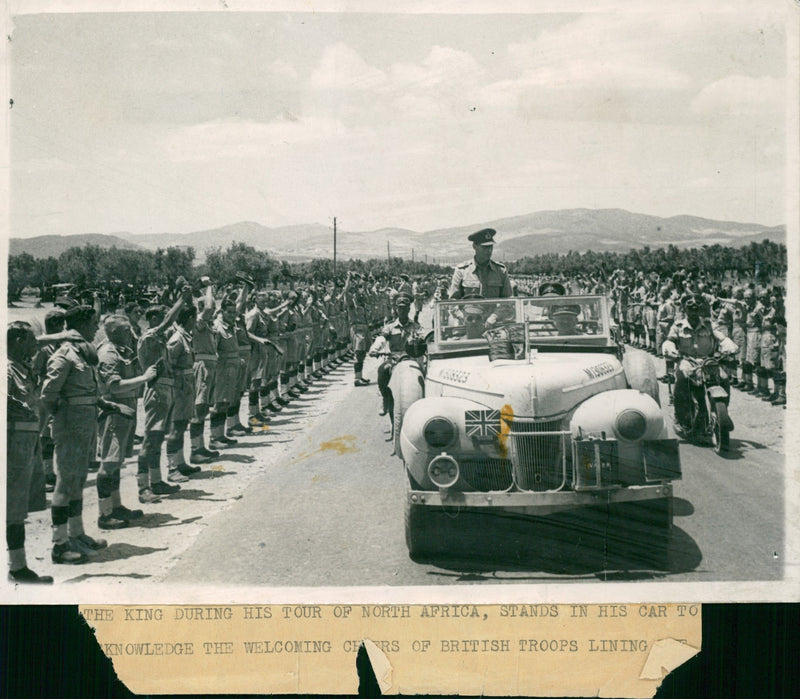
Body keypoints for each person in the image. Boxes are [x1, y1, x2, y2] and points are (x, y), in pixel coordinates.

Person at [40, 305, 134, 563]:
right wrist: (57, 421)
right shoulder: (65, 354)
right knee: (65, 482)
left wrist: (111, 406)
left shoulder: (83, 352)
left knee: (78, 481)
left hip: (85, 425)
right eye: (93, 322)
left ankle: (77, 534)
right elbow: (48, 396)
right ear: (80, 323)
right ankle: (59, 545)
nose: (96, 328)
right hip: (70, 427)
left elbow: (89, 392)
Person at [95, 315, 158, 530]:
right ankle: (104, 514)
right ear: (113, 332)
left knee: (117, 461)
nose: (130, 333)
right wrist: (144, 379)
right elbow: (114, 386)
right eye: (125, 330)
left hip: (126, 411)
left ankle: (116, 506)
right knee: (109, 463)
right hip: (114, 411)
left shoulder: (123, 350)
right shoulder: (108, 354)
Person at [7, 322, 54, 583]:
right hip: (13, 445)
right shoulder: (7, 372)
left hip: (27, 443)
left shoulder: (21, 370)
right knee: (11, 509)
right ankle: (18, 569)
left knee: (17, 509)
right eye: (30, 340)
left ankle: (18, 565)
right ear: (16, 341)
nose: (35, 345)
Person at [662, 295, 737, 433]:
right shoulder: (678, 326)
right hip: (687, 360)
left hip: (707, 361)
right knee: (682, 380)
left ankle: (723, 412)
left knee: (724, 378)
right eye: (690, 306)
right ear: (685, 309)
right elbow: (670, 340)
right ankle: (681, 418)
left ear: (701, 309)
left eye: (697, 306)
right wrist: (669, 347)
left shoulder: (709, 324)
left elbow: (720, 336)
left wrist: (727, 344)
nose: (693, 309)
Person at [369, 291, 421, 421]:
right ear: (396, 309)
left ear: (409, 309)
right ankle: (385, 397)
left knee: (422, 376)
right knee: (382, 370)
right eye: (400, 308)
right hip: (393, 359)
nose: (402, 311)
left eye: (405, 308)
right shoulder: (390, 327)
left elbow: (423, 339)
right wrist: (374, 349)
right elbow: (382, 338)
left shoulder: (416, 326)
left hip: (410, 359)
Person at [448, 228, 512, 300]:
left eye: (491, 247)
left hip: (494, 311)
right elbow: (453, 302)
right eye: (485, 247)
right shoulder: (462, 271)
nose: (489, 250)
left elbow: (508, 301)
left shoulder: (500, 271)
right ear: (475, 246)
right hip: (468, 311)